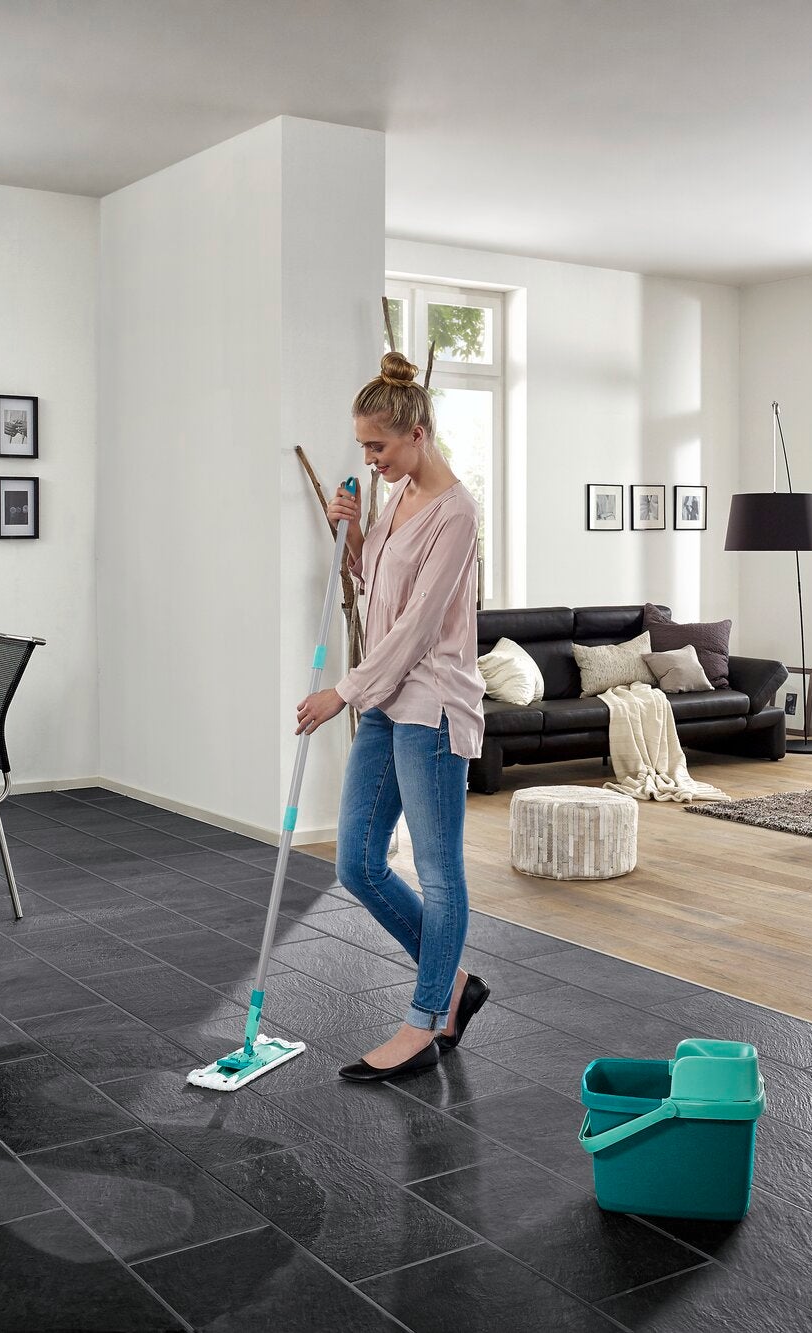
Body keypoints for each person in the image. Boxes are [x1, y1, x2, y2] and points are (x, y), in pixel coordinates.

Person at [295, 351, 492, 1082]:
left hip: (433, 707)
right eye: (363, 446)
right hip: (385, 701)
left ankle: (424, 1020)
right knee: (357, 862)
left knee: (439, 873)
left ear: (418, 431)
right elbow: (370, 584)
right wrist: (346, 529)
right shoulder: (397, 497)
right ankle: (452, 985)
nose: (368, 458)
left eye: (377, 445)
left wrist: (339, 692)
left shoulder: (456, 513)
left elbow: (414, 629)